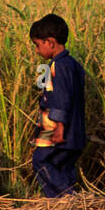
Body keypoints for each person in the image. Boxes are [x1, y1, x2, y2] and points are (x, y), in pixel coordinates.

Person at [29, 13, 86, 197]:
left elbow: (61, 97)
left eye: (37, 45)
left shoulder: (57, 67)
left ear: (50, 42)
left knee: (40, 161)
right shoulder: (73, 65)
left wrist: (59, 126)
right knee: (63, 166)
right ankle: (64, 206)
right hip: (76, 130)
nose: (37, 51)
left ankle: (68, 196)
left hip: (58, 130)